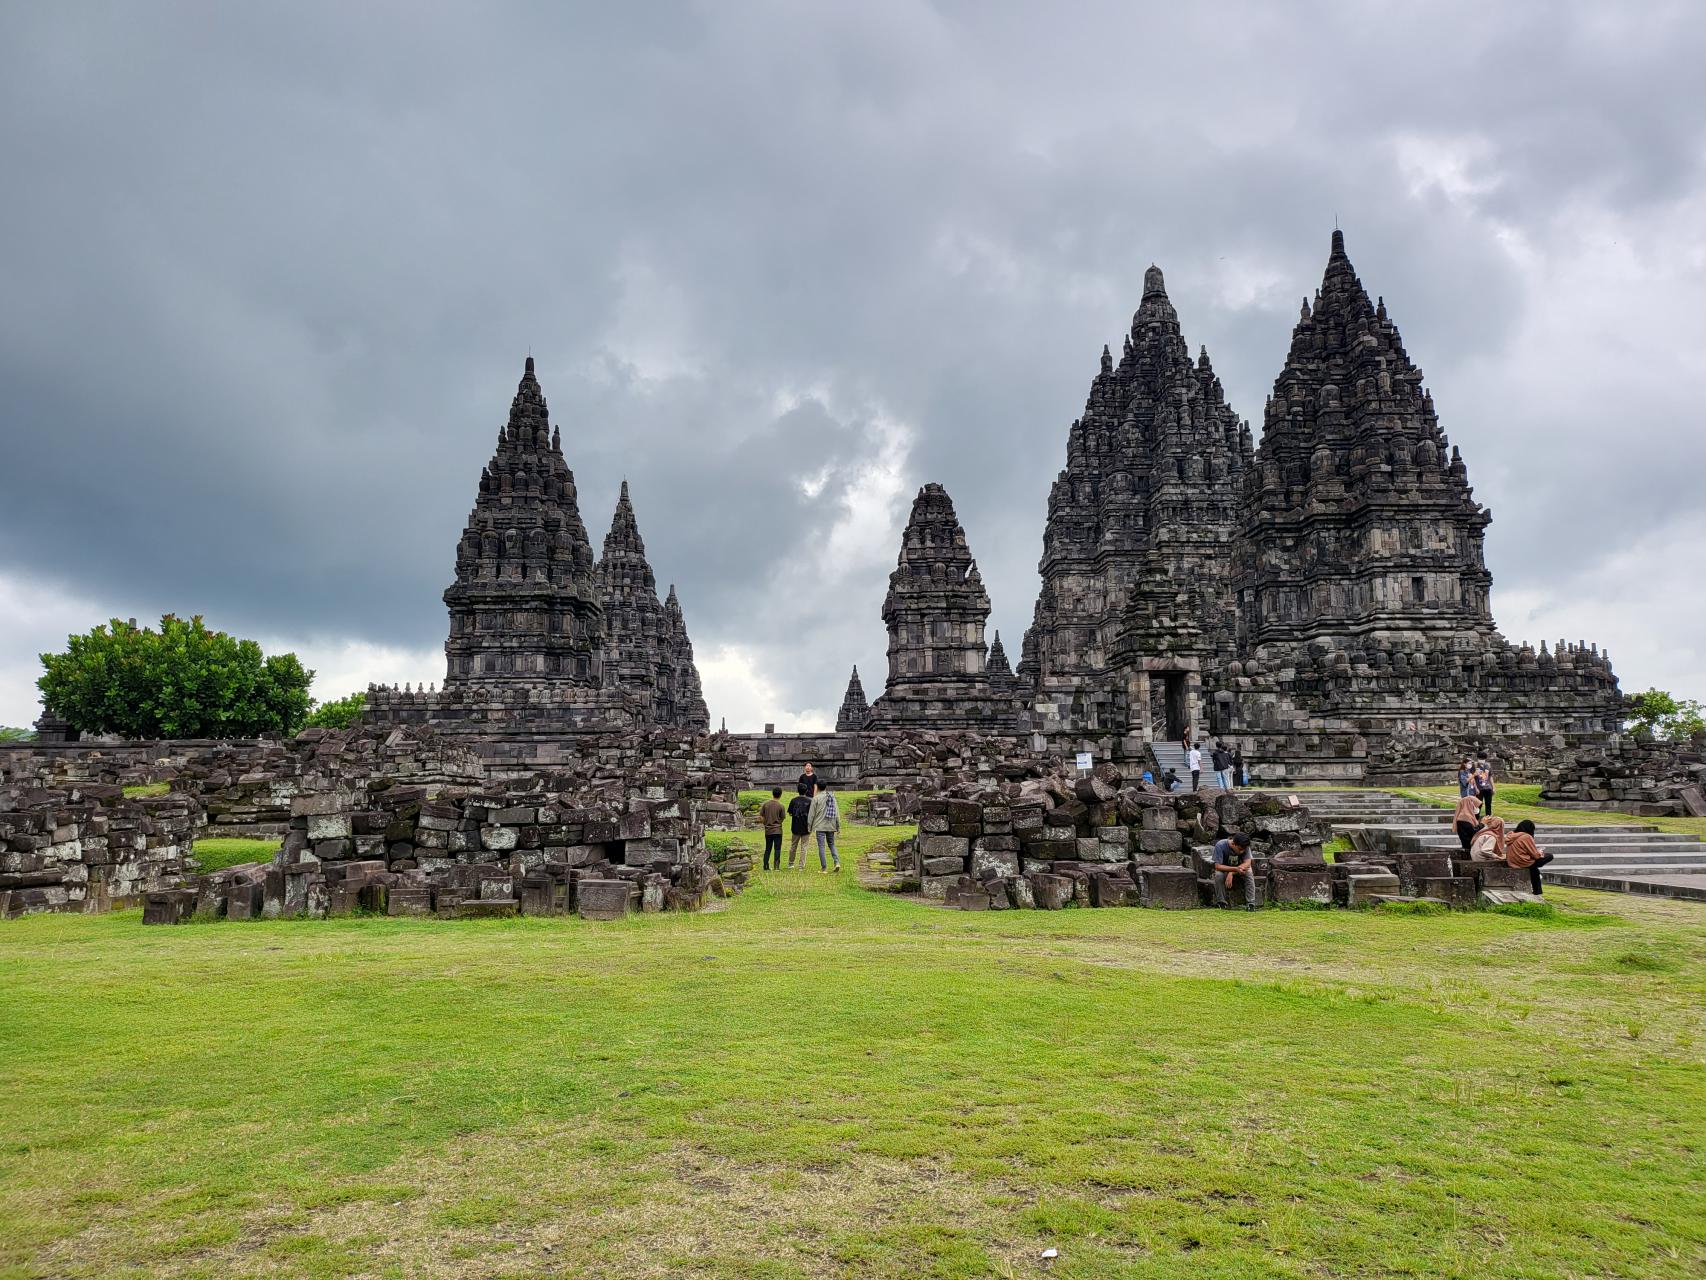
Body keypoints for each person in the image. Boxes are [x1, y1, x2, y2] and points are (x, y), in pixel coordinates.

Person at [1210, 831, 1257, 909]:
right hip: (1226, 870)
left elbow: (1247, 863)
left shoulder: (1245, 845)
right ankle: (1221, 902)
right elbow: (1217, 866)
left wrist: (1232, 872)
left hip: (1239, 870)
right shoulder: (1220, 845)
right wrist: (1235, 869)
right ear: (1233, 844)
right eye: (1240, 849)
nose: (1242, 851)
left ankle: (1251, 903)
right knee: (1218, 875)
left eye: (1244, 849)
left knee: (1249, 871)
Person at [1505, 819, 1554, 894]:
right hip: (1523, 862)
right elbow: (1535, 855)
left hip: (1513, 862)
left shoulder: (1511, 835)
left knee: (1534, 870)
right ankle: (1537, 892)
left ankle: (1537, 891)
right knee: (1549, 856)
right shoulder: (1526, 836)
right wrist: (1540, 853)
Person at [808, 781, 842, 872]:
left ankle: (824, 868)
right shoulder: (832, 797)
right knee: (831, 844)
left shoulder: (816, 798)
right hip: (831, 825)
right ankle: (837, 862)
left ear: (817, 788)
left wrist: (809, 826)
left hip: (820, 826)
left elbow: (811, 814)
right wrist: (838, 826)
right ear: (826, 787)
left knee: (821, 846)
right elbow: (837, 813)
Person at [758, 787, 786, 872]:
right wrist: (778, 823)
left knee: (768, 848)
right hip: (778, 830)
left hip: (768, 830)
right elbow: (782, 818)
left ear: (772, 793)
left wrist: (765, 823)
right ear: (780, 795)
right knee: (777, 848)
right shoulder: (781, 806)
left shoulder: (766, 805)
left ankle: (766, 866)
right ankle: (776, 867)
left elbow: (761, 816)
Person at [786, 789, 813, 869]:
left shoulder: (793, 800)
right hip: (806, 827)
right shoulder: (809, 801)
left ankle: (791, 863)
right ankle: (801, 866)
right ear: (806, 791)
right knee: (804, 847)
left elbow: (790, 813)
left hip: (795, 826)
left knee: (793, 845)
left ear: (798, 790)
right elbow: (812, 814)